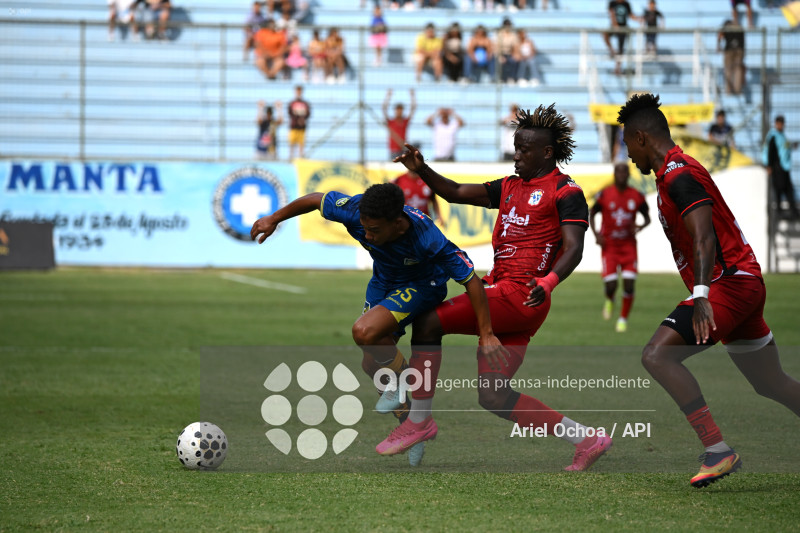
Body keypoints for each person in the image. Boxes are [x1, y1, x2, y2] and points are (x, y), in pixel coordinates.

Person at [376, 105, 613, 472]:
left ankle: (418, 422)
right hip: (506, 297)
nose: (516, 154)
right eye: (515, 147)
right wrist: (421, 169)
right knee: (494, 396)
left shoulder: (566, 192)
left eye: (523, 149)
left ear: (546, 153)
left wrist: (549, 281)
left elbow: (575, 247)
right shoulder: (509, 186)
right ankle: (586, 438)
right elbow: (454, 192)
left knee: (427, 323)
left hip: (522, 294)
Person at [250, 183, 505, 466]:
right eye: (365, 228)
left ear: (397, 224)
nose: (367, 235)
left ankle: (406, 383)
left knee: (364, 331)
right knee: (372, 365)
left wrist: (487, 333)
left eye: (374, 231)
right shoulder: (355, 211)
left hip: (423, 285)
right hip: (383, 282)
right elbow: (315, 199)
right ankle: (414, 426)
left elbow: (470, 280)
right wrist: (273, 218)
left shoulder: (427, 237)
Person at [617, 92, 800, 488]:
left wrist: (701, 296)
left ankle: (718, 450)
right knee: (771, 383)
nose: (628, 155)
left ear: (642, 138)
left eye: (627, 143)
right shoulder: (672, 173)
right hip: (742, 283)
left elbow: (704, 238)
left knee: (656, 355)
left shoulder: (679, 173)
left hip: (727, 286)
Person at [589, 162, 651, 332]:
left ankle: (623, 319)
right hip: (609, 247)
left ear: (629, 175)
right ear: (614, 175)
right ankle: (610, 299)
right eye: (619, 172)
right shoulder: (605, 195)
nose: (622, 175)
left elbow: (647, 218)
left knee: (629, 284)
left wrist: (640, 226)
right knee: (611, 286)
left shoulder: (636, 196)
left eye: (625, 173)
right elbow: (592, 213)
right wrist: (597, 235)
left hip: (628, 246)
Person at [762, 115, 800, 220]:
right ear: (776, 123)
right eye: (779, 123)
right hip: (777, 166)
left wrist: (792, 146)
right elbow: (771, 151)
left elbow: (783, 147)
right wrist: (769, 166)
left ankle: (793, 212)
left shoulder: (781, 135)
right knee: (780, 189)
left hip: (784, 166)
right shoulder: (773, 136)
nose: (781, 125)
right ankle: (780, 212)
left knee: (787, 189)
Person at [603, 0, 640, 75]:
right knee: (605, 34)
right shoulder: (612, 3)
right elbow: (611, 14)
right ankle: (612, 50)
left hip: (623, 28)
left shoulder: (626, 4)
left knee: (621, 49)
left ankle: (617, 68)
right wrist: (615, 25)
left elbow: (631, 15)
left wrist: (639, 19)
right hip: (614, 26)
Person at [383, 88, 417, 160]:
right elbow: (384, 109)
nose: (399, 112)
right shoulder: (391, 122)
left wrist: (412, 97)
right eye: (398, 110)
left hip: (403, 150)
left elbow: (413, 109)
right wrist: (388, 96)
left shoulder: (404, 122)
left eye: (401, 110)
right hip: (393, 152)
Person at [717, 20, 745, 95]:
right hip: (739, 50)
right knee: (737, 70)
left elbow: (720, 35)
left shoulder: (726, 25)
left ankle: (729, 90)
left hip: (729, 50)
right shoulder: (739, 26)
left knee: (728, 70)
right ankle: (737, 90)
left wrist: (718, 45)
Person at [287, 85, 311, 160]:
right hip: (293, 126)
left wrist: (302, 119)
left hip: (302, 127)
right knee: (292, 143)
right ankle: (291, 158)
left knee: (301, 144)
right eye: (297, 91)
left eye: (300, 91)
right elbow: (290, 113)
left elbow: (308, 114)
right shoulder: (292, 103)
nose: (298, 93)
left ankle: (301, 158)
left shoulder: (305, 104)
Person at [496, 18, 520, 84]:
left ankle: (512, 78)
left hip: (509, 54)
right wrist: (499, 56)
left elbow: (516, 47)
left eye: (509, 25)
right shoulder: (499, 34)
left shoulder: (513, 35)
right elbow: (497, 47)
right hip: (501, 53)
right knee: (500, 61)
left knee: (514, 60)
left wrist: (515, 55)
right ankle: (501, 78)